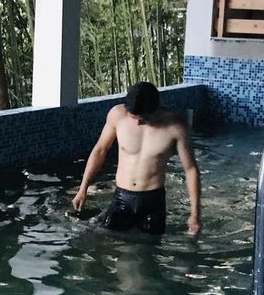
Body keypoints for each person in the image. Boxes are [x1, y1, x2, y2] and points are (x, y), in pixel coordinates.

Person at [71, 82, 201, 236]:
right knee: (108, 241)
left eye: (144, 118)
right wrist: (82, 190)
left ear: (155, 109)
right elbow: (100, 150)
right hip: (121, 197)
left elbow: (190, 169)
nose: (139, 122)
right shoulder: (117, 115)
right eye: (134, 117)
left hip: (153, 201)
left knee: (150, 246)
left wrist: (195, 214)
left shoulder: (176, 127)